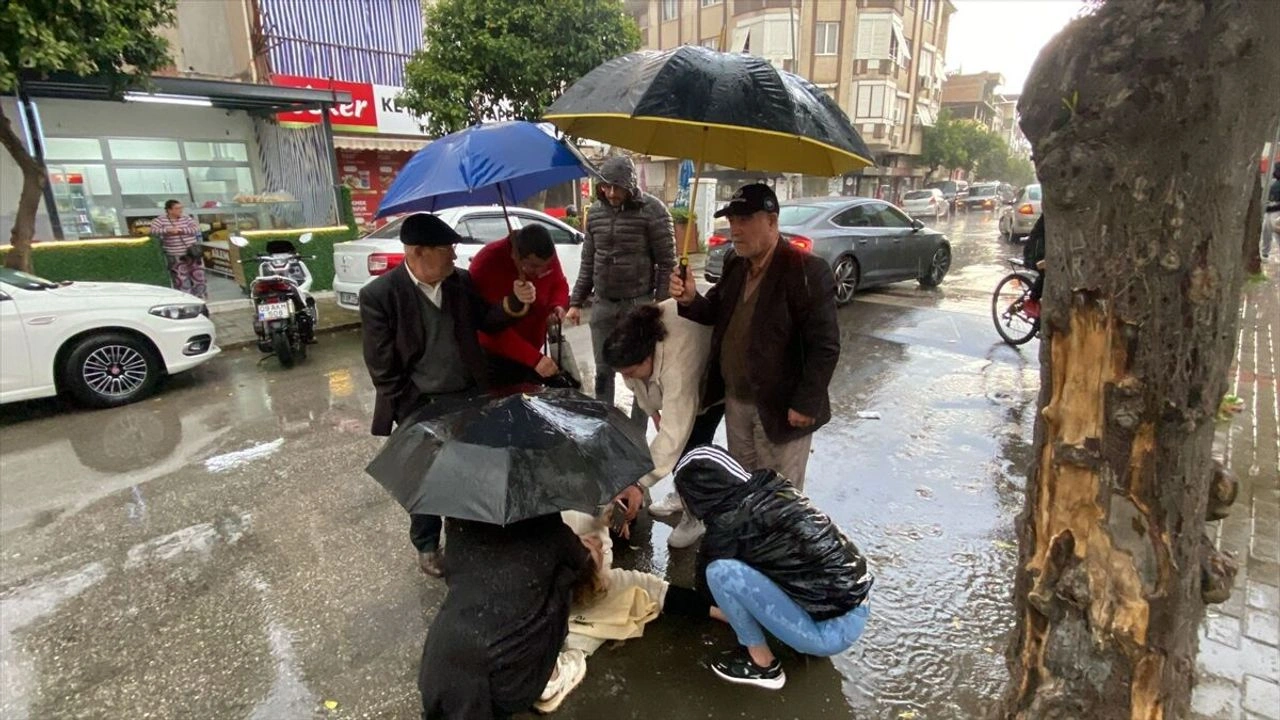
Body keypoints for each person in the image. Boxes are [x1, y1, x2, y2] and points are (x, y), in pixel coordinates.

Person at [359, 213, 536, 578]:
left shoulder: (459, 282)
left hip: (467, 394)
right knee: (424, 480)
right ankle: (426, 545)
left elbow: (487, 319)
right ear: (418, 252)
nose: (454, 257)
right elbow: (381, 366)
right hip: (419, 402)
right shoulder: (381, 295)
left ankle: (470, 536)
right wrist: (409, 408)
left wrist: (514, 302)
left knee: (470, 470)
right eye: (447, 250)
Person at [668, 183, 840, 490]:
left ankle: (781, 540)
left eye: (745, 220)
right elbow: (715, 314)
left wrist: (806, 403)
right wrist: (690, 299)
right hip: (737, 402)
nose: (735, 229)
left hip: (782, 408)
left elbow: (824, 346)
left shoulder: (806, 270)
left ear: (772, 221)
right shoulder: (736, 264)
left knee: (779, 498)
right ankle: (748, 539)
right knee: (743, 491)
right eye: (732, 220)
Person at [673, 445, 873, 690]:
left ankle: (762, 665)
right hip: (856, 605)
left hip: (830, 631)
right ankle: (791, 632)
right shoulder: (773, 486)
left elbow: (705, 591)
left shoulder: (727, 524)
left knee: (719, 573)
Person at [417, 514, 599, 719]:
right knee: (564, 577)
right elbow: (588, 572)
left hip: (436, 669)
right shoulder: (547, 525)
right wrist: (589, 552)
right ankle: (551, 679)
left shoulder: (457, 523)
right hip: (507, 685)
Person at [602, 301, 721, 547]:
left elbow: (673, 435)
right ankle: (681, 496)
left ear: (648, 357)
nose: (627, 378)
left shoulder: (677, 369)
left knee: (692, 449)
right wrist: (652, 411)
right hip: (675, 373)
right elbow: (638, 385)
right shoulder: (635, 342)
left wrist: (638, 484)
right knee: (676, 449)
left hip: (711, 382)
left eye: (630, 371)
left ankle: (695, 515)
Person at [565, 156, 676, 410]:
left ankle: (636, 434)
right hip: (603, 303)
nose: (611, 193)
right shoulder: (594, 213)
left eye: (618, 187)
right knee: (603, 371)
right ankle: (605, 426)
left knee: (639, 372)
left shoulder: (654, 211)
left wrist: (660, 304)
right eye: (606, 186)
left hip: (638, 304)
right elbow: (589, 261)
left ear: (631, 186)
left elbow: (666, 263)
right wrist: (576, 302)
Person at [469, 224, 571, 386]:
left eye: (545, 266)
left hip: (533, 353)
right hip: (496, 359)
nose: (540, 272)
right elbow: (489, 329)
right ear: (515, 255)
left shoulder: (544, 256)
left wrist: (557, 305)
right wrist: (533, 358)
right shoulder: (486, 264)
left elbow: (558, 283)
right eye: (534, 266)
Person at [149, 199, 207, 299]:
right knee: (180, 277)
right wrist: (168, 231)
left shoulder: (186, 218)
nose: (180, 210)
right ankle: (185, 298)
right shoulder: (160, 220)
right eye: (177, 208)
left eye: (181, 208)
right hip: (175, 254)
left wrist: (181, 230)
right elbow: (153, 231)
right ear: (169, 210)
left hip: (192, 252)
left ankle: (200, 296)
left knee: (198, 275)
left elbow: (196, 228)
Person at [1022, 215, 1046, 318]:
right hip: (1036, 254)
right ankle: (1032, 301)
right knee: (1045, 275)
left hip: (1044, 251)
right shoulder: (1049, 217)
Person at [1264, 163, 1280, 261]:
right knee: (1267, 230)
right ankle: (1265, 252)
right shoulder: (1275, 184)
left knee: (1275, 231)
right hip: (1272, 208)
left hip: (1276, 210)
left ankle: (1265, 251)